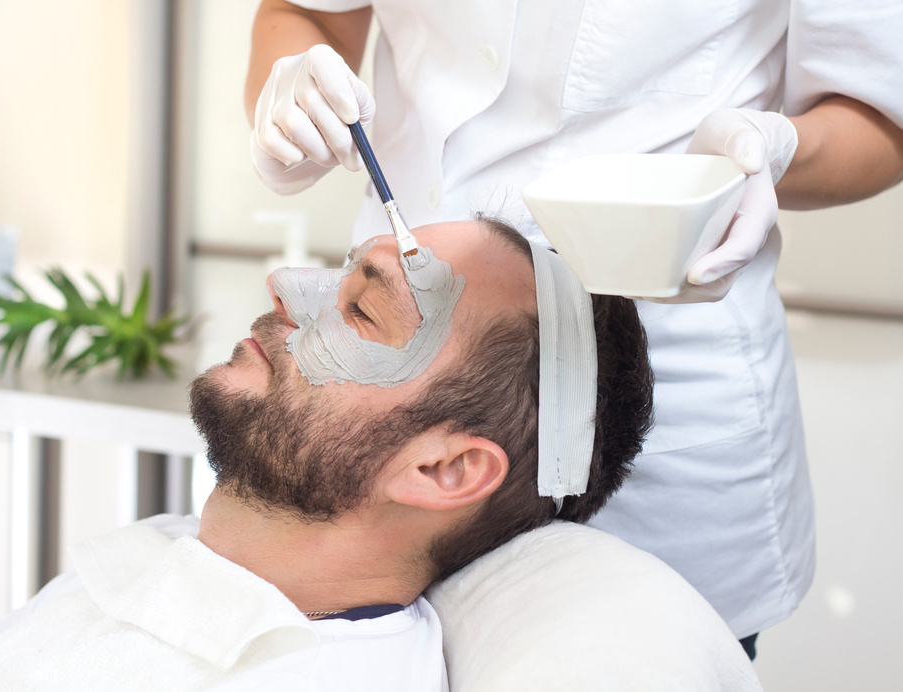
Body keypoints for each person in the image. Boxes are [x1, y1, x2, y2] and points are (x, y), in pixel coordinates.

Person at [244, 0, 903, 658]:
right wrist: (291, 92)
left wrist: (778, 152)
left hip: (668, 411)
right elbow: (307, 13)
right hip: (383, 406)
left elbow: (877, 120)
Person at [0, 218, 654, 691]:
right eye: (343, 270)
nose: (284, 286)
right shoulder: (179, 556)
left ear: (442, 470)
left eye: (361, 307)